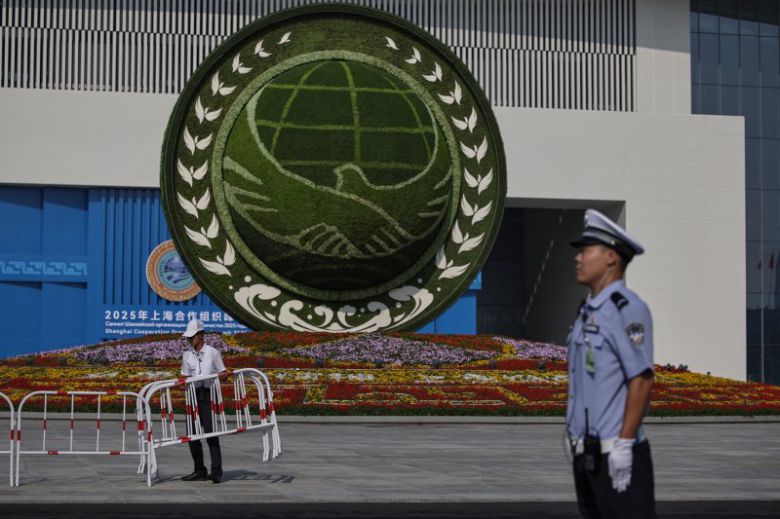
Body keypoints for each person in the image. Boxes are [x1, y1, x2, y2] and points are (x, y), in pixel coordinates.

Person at [566, 209, 656, 519]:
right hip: (586, 456)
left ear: (611, 258)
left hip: (617, 455)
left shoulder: (627, 309)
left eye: (586, 251)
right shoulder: (586, 310)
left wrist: (624, 445)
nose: (578, 258)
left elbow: (641, 380)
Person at [179, 318, 228, 483]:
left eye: (191, 337)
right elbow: (184, 376)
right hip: (191, 395)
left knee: (211, 433)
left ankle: (216, 470)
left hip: (207, 395)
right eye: (188, 337)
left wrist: (224, 376)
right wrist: (180, 383)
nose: (189, 340)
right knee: (192, 435)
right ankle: (199, 469)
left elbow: (223, 373)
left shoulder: (213, 352)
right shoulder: (186, 355)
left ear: (201, 335)